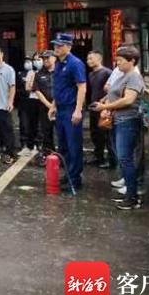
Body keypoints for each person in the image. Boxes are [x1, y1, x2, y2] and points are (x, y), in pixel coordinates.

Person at [92, 45, 145, 210]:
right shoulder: (124, 75)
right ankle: (130, 193)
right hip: (118, 120)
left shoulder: (134, 77)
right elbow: (113, 94)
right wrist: (105, 105)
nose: (118, 64)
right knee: (123, 157)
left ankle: (132, 197)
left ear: (132, 61)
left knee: (125, 158)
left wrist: (104, 108)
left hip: (128, 121)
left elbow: (128, 100)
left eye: (121, 61)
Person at [48, 33, 87, 192]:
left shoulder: (75, 63)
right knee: (63, 145)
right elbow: (59, 88)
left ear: (69, 46)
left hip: (71, 109)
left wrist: (78, 110)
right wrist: (53, 106)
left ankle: (75, 178)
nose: (56, 48)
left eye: (60, 45)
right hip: (61, 109)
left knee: (74, 145)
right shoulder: (58, 63)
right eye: (55, 45)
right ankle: (68, 174)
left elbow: (82, 87)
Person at [86, 51, 114, 168]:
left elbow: (113, 90)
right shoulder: (91, 74)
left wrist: (104, 101)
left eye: (91, 59)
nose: (89, 61)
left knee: (106, 134)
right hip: (94, 107)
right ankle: (98, 156)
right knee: (95, 133)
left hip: (104, 108)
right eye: (88, 59)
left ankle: (111, 160)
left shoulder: (107, 72)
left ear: (99, 59)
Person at [32, 51, 56, 159]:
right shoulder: (39, 74)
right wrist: (49, 105)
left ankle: (65, 155)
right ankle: (49, 154)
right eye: (44, 58)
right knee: (46, 131)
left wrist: (55, 105)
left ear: (54, 58)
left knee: (62, 132)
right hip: (44, 107)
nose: (45, 60)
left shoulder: (60, 72)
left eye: (48, 58)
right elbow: (37, 91)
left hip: (60, 107)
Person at [17, 55, 37, 153]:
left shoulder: (35, 73)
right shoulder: (20, 74)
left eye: (30, 61)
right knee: (24, 124)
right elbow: (17, 88)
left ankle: (34, 144)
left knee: (35, 124)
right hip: (23, 102)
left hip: (34, 103)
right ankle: (24, 144)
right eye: (26, 61)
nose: (28, 63)